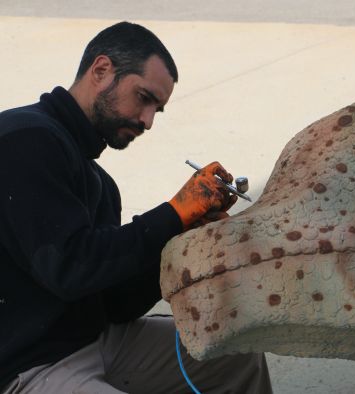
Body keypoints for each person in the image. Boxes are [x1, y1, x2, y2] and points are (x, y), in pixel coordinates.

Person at [0, 21, 273, 393]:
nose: (147, 120)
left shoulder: (100, 183)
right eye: (144, 97)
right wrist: (173, 214)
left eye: (157, 110)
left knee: (234, 356)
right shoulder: (24, 138)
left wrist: (182, 241)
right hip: (27, 364)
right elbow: (68, 268)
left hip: (96, 342)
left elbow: (114, 303)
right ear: (101, 71)